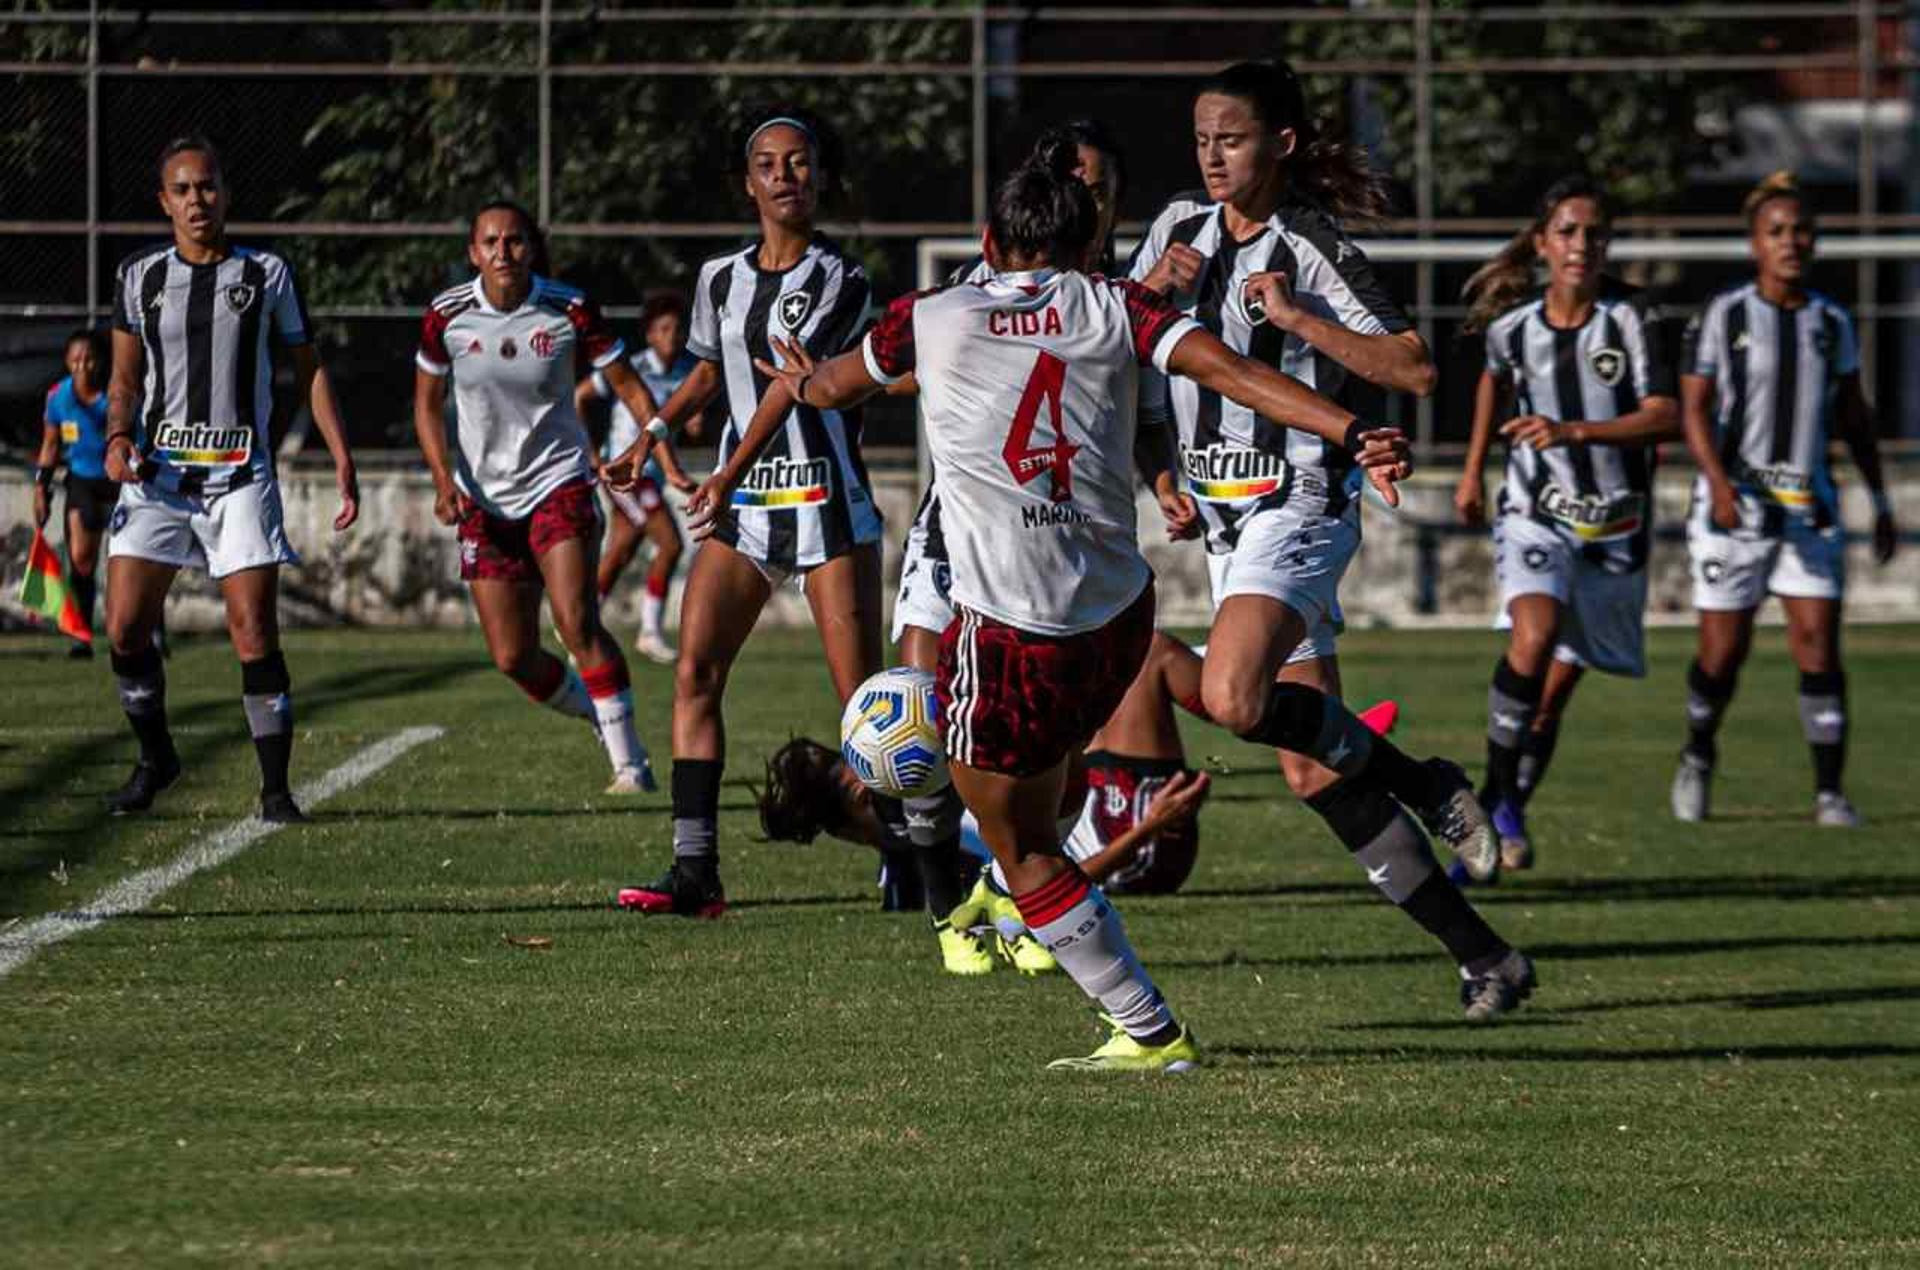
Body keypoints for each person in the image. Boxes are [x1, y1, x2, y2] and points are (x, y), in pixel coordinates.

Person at [718, 137, 1421, 1069]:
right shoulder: (1119, 305)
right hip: (1121, 626)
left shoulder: (931, 314)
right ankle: (1027, 908)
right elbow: (1228, 372)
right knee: (1038, 798)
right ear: (1088, 239)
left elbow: (836, 384)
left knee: (1024, 848)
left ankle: (1146, 1029)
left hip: (1014, 637)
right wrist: (1349, 424)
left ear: (986, 241)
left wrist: (800, 378)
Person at [1128, 60, 1533, 1017]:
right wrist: (1148, 293)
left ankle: (1426, 781)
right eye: (1201, 138)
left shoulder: (1308, 244)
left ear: (1282, 144)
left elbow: (1414, 367)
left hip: (1300, 501)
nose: (1213, 155)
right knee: (1314, 765)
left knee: (1229, 694)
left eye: (1230, 138)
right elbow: (1121, 353)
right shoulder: (1174, 231)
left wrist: (1300, 317)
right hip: (1226, 527)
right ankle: (1487, 960)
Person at [609, 107, 895, 926]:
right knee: (695, 673)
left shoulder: (842, 279)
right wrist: (652, 434)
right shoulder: (718, 279)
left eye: (800, 163)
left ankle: (913, 859)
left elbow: (786, 380)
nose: (784, 176)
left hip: (822, 501)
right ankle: (695, 871)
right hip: (747, 512)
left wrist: (727, 468)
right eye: (768, 164)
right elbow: (709, 370)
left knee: (867, 716)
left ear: (821, 177)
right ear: (748, 182)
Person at [888, 119, 1141, 974]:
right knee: (927, 715)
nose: (1097, 203)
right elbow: (873, 366)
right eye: (1085, 188)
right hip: (957, 537)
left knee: (1044, 775)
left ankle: (1015, 888)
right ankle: (947, 902)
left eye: (1106, 189)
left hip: (1059, 568)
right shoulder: (964, 296)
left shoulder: (1112, 301)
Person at [100, 135, 359, 822]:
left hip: (239, 477)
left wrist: (340, 455)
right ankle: (156, 756)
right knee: (125, 628)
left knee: (253, 630)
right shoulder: (138, 276)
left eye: (208, 186)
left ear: (226, 194)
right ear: (163, 201)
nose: (197, 200)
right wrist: (118, 436)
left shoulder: (267, 274)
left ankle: (276, 792)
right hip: (156, 479)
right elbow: (124, 378)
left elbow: (309, 369)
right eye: (182, 189)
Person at [414, 200, 687, 795]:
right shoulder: (447, 317)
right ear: (473, 252)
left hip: (558, 484)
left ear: (530, 248)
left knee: (574, 620)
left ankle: (629, 762)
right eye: (490, 242)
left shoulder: (569, 308)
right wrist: (441, 481)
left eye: (514, 241)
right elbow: (425, 405)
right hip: (482, 502)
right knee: (513, 656)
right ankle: (599, 711)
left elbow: (628, 387)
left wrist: (657, 449)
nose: (503, 252)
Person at [1455, 177, 1679, 870]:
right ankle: (1494, 817)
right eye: (1569, 231)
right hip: (1535, 513)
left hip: (1614, 528)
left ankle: (1497, 805)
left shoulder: (1633, 318)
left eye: (1595, 233)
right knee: (1535, 633)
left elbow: (1664, 415)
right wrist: (1472, 469)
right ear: (1544, 242)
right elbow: (1493, 378)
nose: (1583, 244)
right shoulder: (1512, 326)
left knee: (1549, 703)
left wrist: (1573, 430)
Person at [1670, 172, 1898, 827]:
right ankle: (1698, 753)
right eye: (1776, 232)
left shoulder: (1832, 321)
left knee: (1818, 646)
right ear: (1754, 245)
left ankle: (1829, 792)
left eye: (1801, 231)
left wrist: (1880, 500)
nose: (1790, 242)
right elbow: (1694, 409)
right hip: (1734, 509)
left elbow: (1855, 416)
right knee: (1723, 654)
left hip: (1809, 510)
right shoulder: (1725, 315)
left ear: (1815, 241)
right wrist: (1715, 482)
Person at [576, 290, 696, 664]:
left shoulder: (685, 372)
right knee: (671, 543)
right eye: (664, 329)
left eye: (677, 330)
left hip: (652, 477)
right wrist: (590, 450)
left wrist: (693, 420)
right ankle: (649, 632)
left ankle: (578, 630)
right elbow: (579, 396)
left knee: (621, 550)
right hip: (627, 474)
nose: (672, 337)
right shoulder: (632, 368)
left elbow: (685, 420)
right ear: (649, 334)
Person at [31, 329, 114, 658]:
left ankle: (153, 632)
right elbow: (50, 445)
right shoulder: (58, 397)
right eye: (76, 359)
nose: (83, 365)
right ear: (67, 361)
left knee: (139, 558)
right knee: (80, 559)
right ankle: (82, 635)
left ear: (101, 361)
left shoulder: (115, 395)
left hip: (120, 480)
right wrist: (41, 487)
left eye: (89, 358)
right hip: (81, 480)